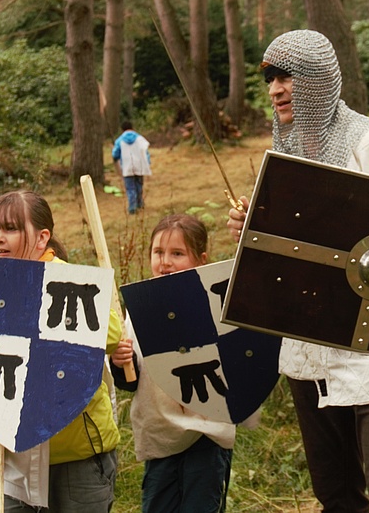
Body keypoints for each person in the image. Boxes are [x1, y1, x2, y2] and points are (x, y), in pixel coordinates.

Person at [227, 30, 369, 513]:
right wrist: (251, 227)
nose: (276, 89)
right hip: (308, 354)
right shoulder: (284, 154)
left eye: (288, 76)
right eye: (271, 78)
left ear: (318, 79)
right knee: (336, 497)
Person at [0, 190, 122, 512]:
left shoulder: (69, 283)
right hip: (10, 455)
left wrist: (40, 293)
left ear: (42, 238)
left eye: (11, 228)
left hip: (76, 457)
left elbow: (112, 334)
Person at [110, 214, 235, 513]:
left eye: (177, 254)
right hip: (160, 435)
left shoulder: (214, 305)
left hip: (206, 434)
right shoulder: (141, 309)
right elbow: (130, 380)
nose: (165, 262)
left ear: (200, 260)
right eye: (158, 253)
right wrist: (119, 361)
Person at [112, 120, 151, 214]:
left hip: (127, 168)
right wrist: (148, 163)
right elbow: (146, 152)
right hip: (140, 166)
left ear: (122, 130)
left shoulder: (120, 140)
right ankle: (140, 204)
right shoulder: (140, 138)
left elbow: (115, 154)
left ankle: (132, 208)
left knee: (130, 188)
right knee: (139, 186)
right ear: (132, 128)